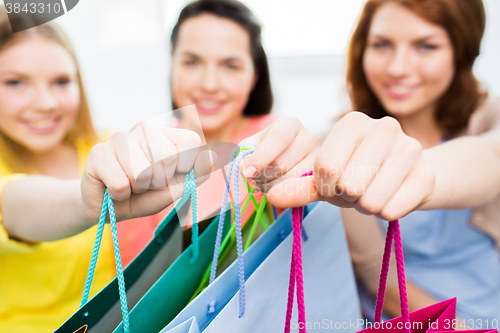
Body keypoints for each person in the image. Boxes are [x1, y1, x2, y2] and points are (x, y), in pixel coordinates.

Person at [241, 0, 500, 325]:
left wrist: (419, 172)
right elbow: (383, 281)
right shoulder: (337, 147)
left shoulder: (490, 115)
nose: (397, 67)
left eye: (426, 46)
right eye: (382, 44)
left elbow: (492, 155)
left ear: (461, 51)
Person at [0, 10, 213, 332]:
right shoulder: (100, 168)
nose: (45, 103)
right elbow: (13, 204)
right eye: (15, 82)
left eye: (61, 81)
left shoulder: (104, 147)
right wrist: (83, 201)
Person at [118, 0, 277, 263]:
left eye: (230, 66)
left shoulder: (280, 143)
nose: (210, 84)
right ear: (172, 66)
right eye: (192, 62)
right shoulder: (143, 156)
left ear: (254, 75)